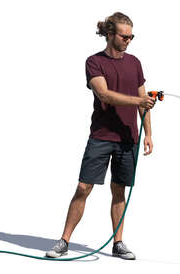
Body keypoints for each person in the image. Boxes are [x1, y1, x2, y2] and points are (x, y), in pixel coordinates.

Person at [46, 12, 155, 260]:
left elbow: (144, 102)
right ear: (109, 34)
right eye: (124, 36)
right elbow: (104, 94)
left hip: (128, 138)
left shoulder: (135, 63)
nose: (128, 40)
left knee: (119, 191)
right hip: (101, 136)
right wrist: (139, 99)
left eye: (131, 36)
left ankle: (118, 243)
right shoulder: (94, 62)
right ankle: (64, 241)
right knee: (84, 187)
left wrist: (148, 133)